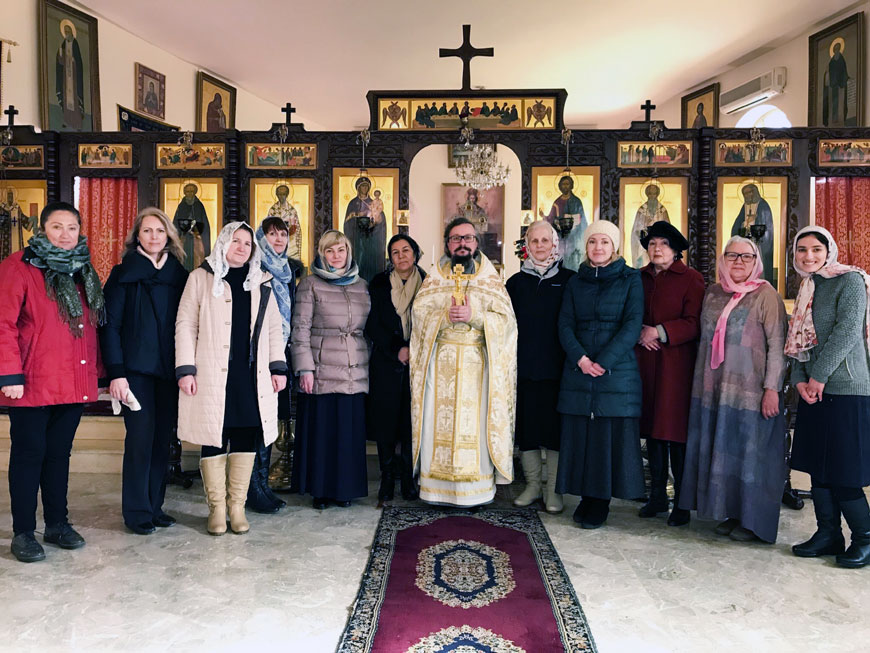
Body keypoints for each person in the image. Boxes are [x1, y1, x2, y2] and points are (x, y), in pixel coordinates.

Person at [0, 201, 104, 562]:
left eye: (72, 228)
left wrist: (96, 374)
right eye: (57, 227)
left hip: (71, 379)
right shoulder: (18, 267)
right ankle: (23, 532)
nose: (65, 235)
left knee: (59, 456)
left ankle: (57, 523)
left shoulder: (83, 269)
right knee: (29, 456)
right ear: (42, 229)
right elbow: (4, 324)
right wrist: (9, 374)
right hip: (32, 381)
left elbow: (90, 328)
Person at [175, 222, 287, 535]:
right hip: (212, 372)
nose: (241, 247)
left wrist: (277, 367)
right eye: (235, 241)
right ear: (223, 243)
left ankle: (237, 507)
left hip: (250, 375)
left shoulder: (261, 281)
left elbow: (274, 328)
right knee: (214, 436)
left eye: (247, 244)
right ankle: (217, 509)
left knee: (245, 434)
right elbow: (186, 325)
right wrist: (186, 368)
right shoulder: (200, 278)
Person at [679, 236, 787, 542]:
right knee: (723, 451)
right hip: (713, 388)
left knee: (750, 456)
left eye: (746, 256)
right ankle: (729, 512)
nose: (738, 261)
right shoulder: (713, 292)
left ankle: (752, 521)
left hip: (750, 391)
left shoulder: (766, 295)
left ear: (757, 261)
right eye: (732, 255)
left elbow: (778, 346)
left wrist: (772, 388)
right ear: (722, 259)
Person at [409, 217, 517, 507]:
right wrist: (443, 317)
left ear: (476, 243)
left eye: (468, 238)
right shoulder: (435, 278)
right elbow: (418, 315)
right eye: (456, 238)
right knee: (437, 422)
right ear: (447, 244)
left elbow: (507, 322)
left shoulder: (489, 279)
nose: (462, 244)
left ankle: (476, 492)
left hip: (477, 368)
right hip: (439, 366)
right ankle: (436, 491)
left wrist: (475, 316)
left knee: (476, 425)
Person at [100, 208, 188, 534]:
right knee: (139, 439)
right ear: (137, 236)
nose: (154, 236)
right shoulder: (123, 274)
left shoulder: (179, 275)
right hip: (134, 371)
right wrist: (116, 373)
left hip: (168, 371)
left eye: (160, 231)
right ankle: (136, 512)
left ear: (169, 237)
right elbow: (109, 327)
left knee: (162, 440)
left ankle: (155, 506)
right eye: (147, 230)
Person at [787, 226, 870, 567]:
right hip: (812, 389)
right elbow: (798, 342)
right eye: (802, 249)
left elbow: (847, 332)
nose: (809, 256)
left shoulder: (850, 281)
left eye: (816, 249)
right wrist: (800, 381)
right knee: (818, 468)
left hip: (846, 388)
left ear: (829, 250)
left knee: (844, 470)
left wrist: (818, 377)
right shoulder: (808, 286)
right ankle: (828, 534)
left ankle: (865, 538)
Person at [555, 219, 645, 529]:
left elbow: (632, 324)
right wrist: (581, 359)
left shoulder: (630, 279)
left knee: (606, 436)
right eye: (593, 241)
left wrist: (603, 361)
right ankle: (585, 496)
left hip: (615, 371)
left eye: (605, 242)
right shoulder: (576, 281)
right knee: (582, 434)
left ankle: (601, 500)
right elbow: (565, 324)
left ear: (615, 246)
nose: (598, 247)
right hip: (579, 368)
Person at [291, 230, 370, 509]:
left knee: (348, 433)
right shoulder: (310, 284)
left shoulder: (361, 285)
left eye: (341, 250)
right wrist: (305, 369)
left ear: (349, 252)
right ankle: (321, 491)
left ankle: (345, 489)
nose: (336, 256)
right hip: (321, 369)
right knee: (323, 433)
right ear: (322, 254)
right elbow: (300, 329)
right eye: (329, 251)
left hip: (354, 369)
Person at [634, 222, 705, 527]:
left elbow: (695, 322)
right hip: (645, 364)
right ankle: (657, 497)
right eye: (652, 243)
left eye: (663, 244)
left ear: (675, 250)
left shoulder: (691, 278)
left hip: (676, 366)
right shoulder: (639, 277)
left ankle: (683, 503)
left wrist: (660, 331)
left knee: (675, 435)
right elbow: (629, 314)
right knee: (652, 432)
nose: (657, 249)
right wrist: (640, 332)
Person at [506, 221, 573, 513]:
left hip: (559, 371)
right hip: (524, 370)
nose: (540, 246)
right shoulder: (515, 283)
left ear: (555, 244)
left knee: (554, 432)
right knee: (528, 430)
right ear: (527, 245)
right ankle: (533, 486)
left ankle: (553, 490)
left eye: (546, 240)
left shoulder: (570, 280)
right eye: (534, 241)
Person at [365, 234, 426, 504]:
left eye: (406, 250)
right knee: (386, 421)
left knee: (411, 422)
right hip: (386, 362)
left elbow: (432, 321)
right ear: (390, 258)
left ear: (415, 253)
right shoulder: (379, 283)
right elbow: (372, 324)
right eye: (396, 252)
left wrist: (413, 348)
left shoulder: (428, 283)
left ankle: (409, 478)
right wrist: (397, 348)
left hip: (418, 362)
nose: (401, 256)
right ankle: (388, 476)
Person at [245, 217, 296, 514]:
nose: (278, 239)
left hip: (279, 352)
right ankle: (252, 487)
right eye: (272, 234)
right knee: (255, 421)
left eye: (283, 234)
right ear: (261, 238)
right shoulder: (254, 267)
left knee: (269, 420)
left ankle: (263, 484)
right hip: (255, 355)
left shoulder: (288, 270)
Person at [539, 175, 587, 271]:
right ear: (560, 186)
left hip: (574, 237)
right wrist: (544, 216)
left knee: (573, 262)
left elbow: (582, 220)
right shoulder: (557, 202)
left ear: (571, 186)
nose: (565, 186)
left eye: (567, 184)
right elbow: (551, 218)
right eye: (563, 184)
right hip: (561, 237)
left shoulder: (576, 201)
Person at [730, 184, 774, 288]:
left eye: (749, 193)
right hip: (746, 243)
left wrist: (754, 223)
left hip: (758, 243)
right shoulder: (744, 206)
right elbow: (737, 225)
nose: (747, 196)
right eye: (745, 194)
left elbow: (765, 226)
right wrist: (745, 224)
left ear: (755, 192)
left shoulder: (763, 205)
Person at [344, 176, 387, 283]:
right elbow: (347, 223)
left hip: (371, 240)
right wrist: (356, 217)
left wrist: (376, 221)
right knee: (359, 260)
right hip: (357, 239)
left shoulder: (373, 203)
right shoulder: (353, 203)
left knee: (370, 261)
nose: (364, 188)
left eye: (366, 186)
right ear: (358, 188)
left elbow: (381, 220)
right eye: (362, 186)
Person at [630, 185, 670, 268]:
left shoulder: (662, 210)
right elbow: (636, 229)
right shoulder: (641, 210)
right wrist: (644, 227)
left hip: (659, 243)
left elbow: (668, 229)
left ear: (657, 195)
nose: (652, 197)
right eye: (650, 194)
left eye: (654, 194)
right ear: (647, 195)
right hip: (644, 244)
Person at [173, 183, 211, 258]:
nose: (190, 194)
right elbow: (176, 223)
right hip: (184, 237)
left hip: (196, 237)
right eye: (188, 192)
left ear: (195, 192)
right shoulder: (181, 206)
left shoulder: (199, 206)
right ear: (185, 193)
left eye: (192, 191)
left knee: (196, 257)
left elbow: (203, 222)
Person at [266, 184, 302, 261]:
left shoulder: (292, 210)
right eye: (279, 194)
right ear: (276, 195)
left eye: (283, 194)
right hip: (276, 242)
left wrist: (290, 230)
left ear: (287, 195)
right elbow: (267, 227)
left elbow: (297, 228)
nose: (281, 197)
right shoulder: (273, 210)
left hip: (290, 243)